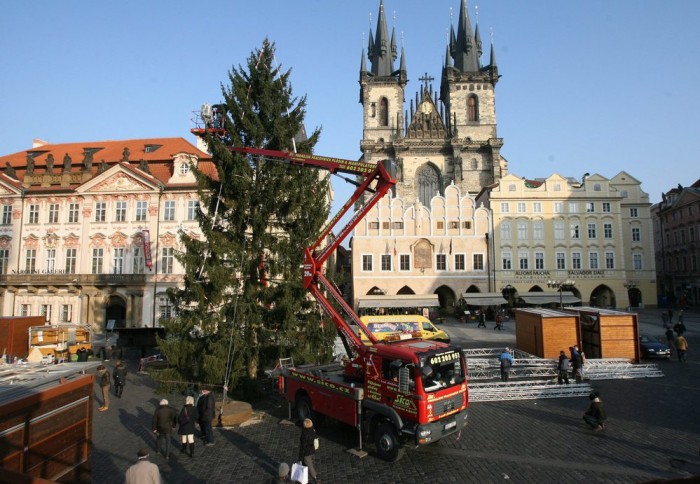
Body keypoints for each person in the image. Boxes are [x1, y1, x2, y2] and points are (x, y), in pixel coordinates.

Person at [298, 418, 319, 483]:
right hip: (312, 451)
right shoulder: (313, 430)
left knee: (310, 466)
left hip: (306, 453)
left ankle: (315, 478)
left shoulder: (304, 434)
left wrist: (300, 458)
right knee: (307, 464)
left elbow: (302, 447)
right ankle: (304, 477)